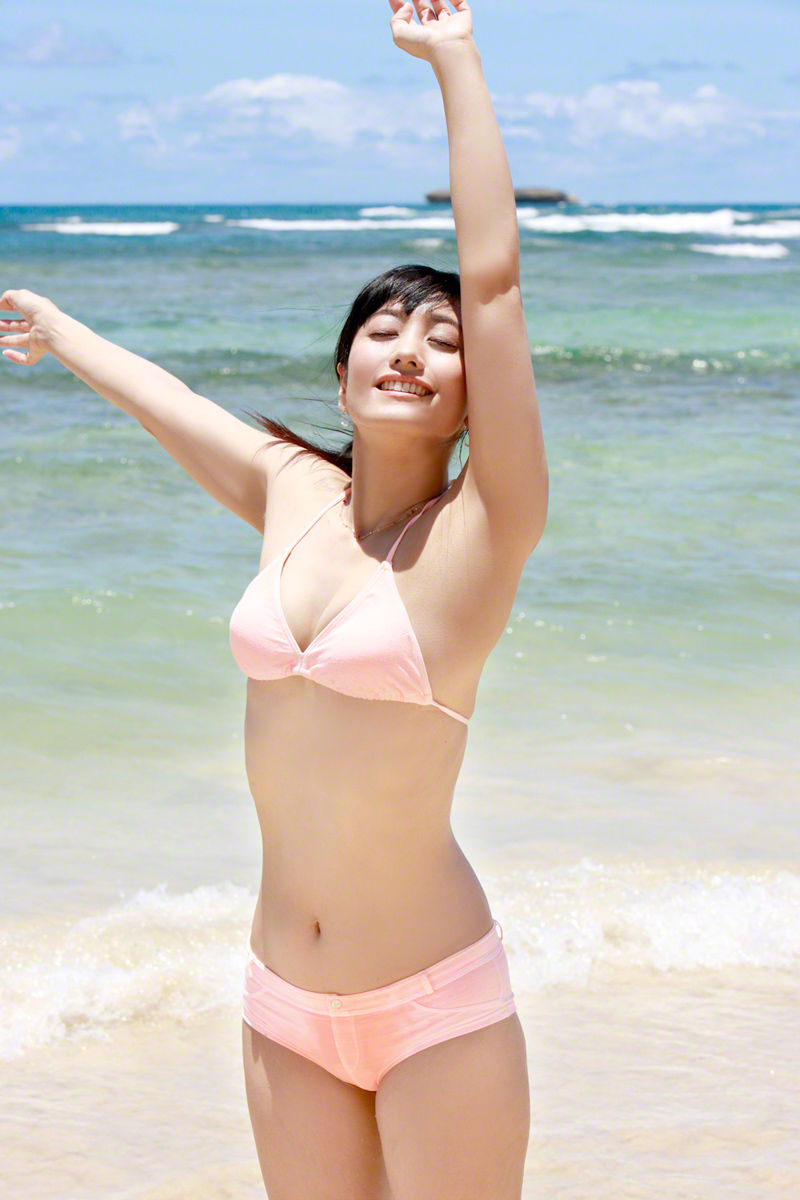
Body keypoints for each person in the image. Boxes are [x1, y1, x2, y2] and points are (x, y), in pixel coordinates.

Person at [1, 0, 548, 1195]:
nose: (409, 347)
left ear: (473, 396)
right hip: (281, 1005)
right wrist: (56, 326)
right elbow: (166, 403)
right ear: (342, 373)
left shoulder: (481, 532)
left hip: (434, 1004)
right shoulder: (291, 488)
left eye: (440, 340)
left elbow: (497, 282)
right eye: (384, 328)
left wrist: (451, 59)